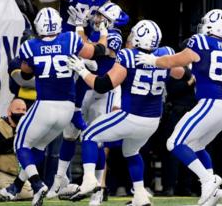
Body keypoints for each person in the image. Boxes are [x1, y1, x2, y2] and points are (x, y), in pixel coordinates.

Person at [0, 7, 108, 206]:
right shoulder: (69, 39)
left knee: (20, 145)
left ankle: (38, 184)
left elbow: (26, 74)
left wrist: (21, 63)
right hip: (67, 108)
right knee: (38, 146)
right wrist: (103, 37)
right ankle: (15, 187)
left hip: (45, 105)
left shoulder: (30, 46)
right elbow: (94, 52)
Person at [66, 20, 183, 206]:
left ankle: (89, 179)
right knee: (131, 151)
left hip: (131, 116)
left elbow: (103, 85)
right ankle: (140, 195)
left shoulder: (128, 56)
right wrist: (157, 63)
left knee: (89, 135)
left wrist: (81, 70)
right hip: (153, 120)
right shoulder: (166, 53)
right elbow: (179, 73)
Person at [136, 9, 222, 206]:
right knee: (197, 146)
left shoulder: (201, 42)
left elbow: (175, 61)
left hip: (210, 102)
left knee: (174, 143)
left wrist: (153, 60)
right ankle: (211, 192)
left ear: (212, 25)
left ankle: (209, 180)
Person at [46, 2, 125, 206]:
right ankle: (59, 179)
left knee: (97, 139)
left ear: (110, 20)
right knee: (69, 134)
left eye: (100, 16)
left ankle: (97, 188)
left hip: (102, 91)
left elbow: (93, 52)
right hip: (84, 87)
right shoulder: (98, 32)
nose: (96, 19)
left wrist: (80, 29)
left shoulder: (114, 35)